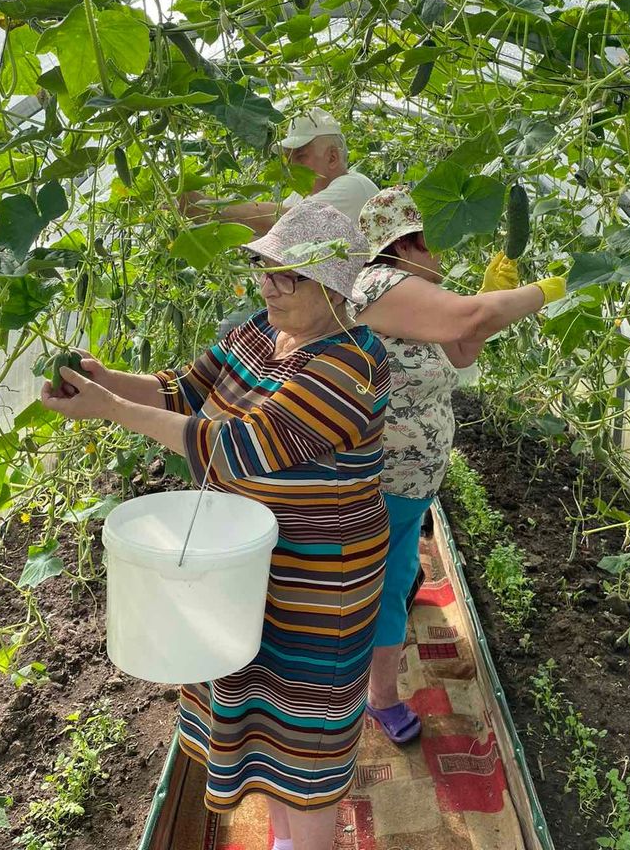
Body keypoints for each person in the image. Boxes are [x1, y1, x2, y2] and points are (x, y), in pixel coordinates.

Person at [41, 201, 390, 850]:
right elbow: (183, 390)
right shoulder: (260, 331)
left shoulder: (350, 367)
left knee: (305, 737)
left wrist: (108, 408)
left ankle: (306, 841)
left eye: (288, 275)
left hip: (318, 584)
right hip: (246, 564)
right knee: (257, 713)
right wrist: (105, 379)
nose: (268, 286)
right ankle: (285, 838)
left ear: (336, 285)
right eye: (263, 268)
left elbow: (236, 447)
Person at [353, 186, 566, 745]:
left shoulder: (415, 296)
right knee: (385, 587)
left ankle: (369, 670)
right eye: (436, 238)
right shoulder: (379, 284)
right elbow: (470, 316)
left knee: (394, 577)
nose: (444, 249)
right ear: (406, 242)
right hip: (381, 482)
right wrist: (548, 289)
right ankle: (376, 696)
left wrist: (489, 304)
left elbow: (463, 345)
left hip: (409, 484)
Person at [181, 107, 378, 234]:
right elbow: (263, 232)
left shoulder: (353, 187)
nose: (290, 167)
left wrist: (203, 205)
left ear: (332, 157)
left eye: (300, 156)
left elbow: (282, 221)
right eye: (288, 159)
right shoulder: (303, 194)